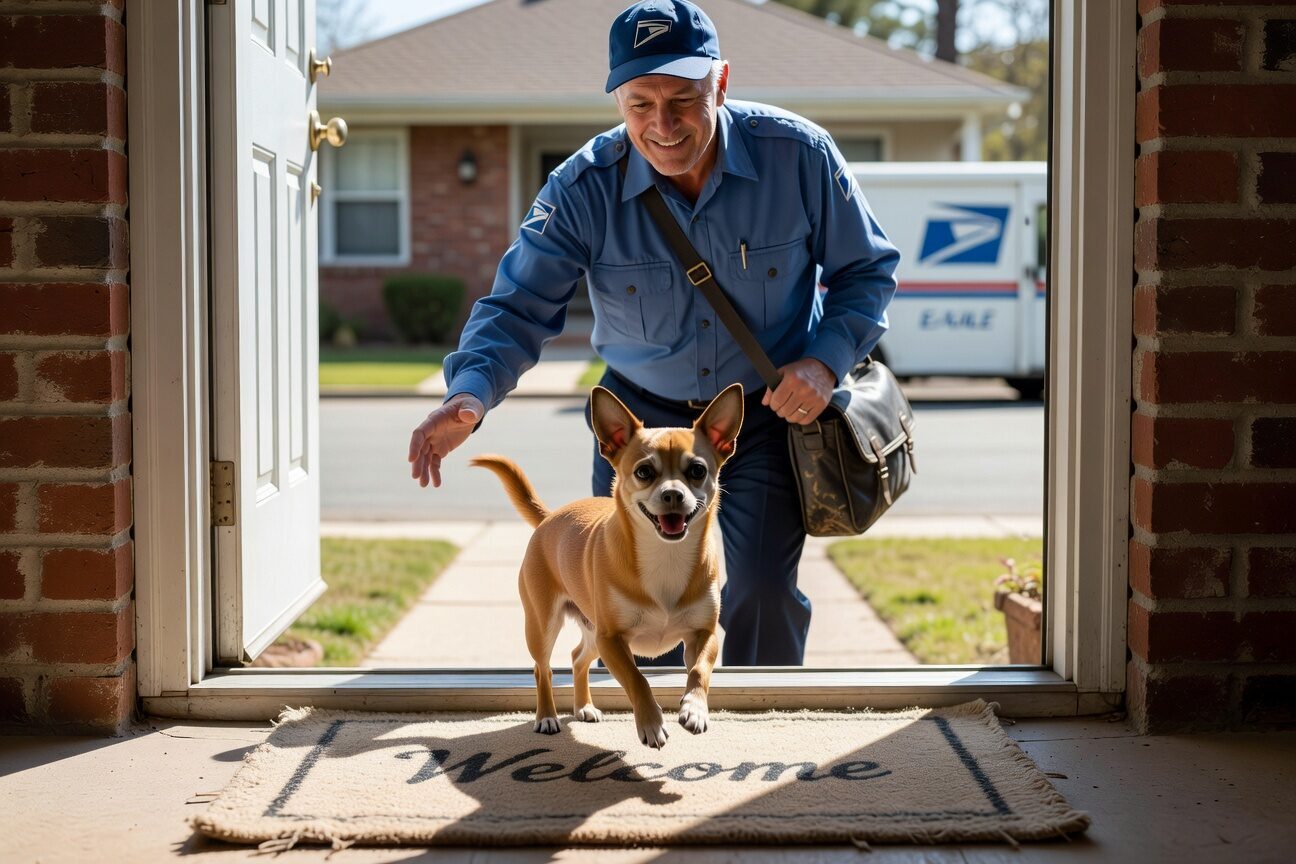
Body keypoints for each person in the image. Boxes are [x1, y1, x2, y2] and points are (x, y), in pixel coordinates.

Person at [409, 0, 899, 666]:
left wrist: (823, 363)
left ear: (720, 83)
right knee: (635, 609)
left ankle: (769, 737)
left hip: (753, 421)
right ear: (617, 98)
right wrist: (470, 395)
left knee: (755, 593)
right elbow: (518, 305)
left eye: (682, 100)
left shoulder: (799, 156)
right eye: (640, 103)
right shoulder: (581, 188)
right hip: (636, 429)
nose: (661, 125)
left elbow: (867, 270)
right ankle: (648, 752)